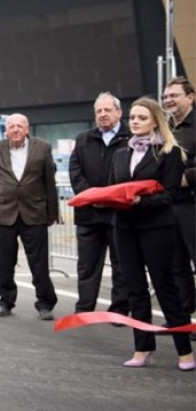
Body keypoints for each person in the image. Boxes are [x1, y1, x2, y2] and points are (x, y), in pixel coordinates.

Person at [109, 97, 194, 370]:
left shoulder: (169, 152)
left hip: (157, 227)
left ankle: (185, 352)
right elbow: (114, 188)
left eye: (141, 117)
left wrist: (140, 203)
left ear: (155, 121)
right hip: (124, 228)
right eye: (132, 117)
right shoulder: (121, 153)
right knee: (135, 290)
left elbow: (170, 194)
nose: (134, 121)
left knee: (166, 288)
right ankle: (142, 348)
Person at [0, 113, 59, 320]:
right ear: (6, 130)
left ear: (27, 129)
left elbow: (50, 182)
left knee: (39, 262)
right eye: (11, 126)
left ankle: (45, 303)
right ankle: (5, 301)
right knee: (5, 261)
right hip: (4, 212)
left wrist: (52, 214)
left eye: (19, 126)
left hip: (35, 213)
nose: (15, 129)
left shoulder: (42, 148)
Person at [68, 92, 130, 315]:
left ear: (119, 112)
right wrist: (92, 196)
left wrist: (111, 197)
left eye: (107, 110)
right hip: (88, 214)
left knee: (121, 264)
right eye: (99, 111)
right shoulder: (83, 139)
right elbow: (75, 171)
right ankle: (84, 308)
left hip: (118, 214)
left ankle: (120, 309)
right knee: (87, 265)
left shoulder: (130, 138)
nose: (103, 115)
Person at [162, 77, 195, 319]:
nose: (168, 100)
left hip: (193, 204)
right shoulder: (165, 129)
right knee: (176, 266)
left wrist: (188, 177)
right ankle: (184, 320)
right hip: (170, 206)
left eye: (173, 95)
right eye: (165, 97)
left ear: (190, 97)